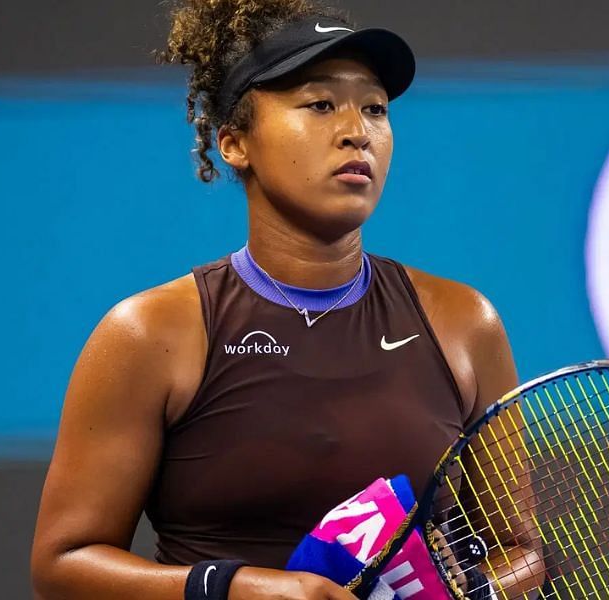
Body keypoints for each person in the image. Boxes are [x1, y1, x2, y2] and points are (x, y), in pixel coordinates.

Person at [30, 1, 537, 598]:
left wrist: (464, 594)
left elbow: (520, 552)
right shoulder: (151, 333)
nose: (357, 130)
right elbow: (63, 566)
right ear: (235, 144)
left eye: (375, 108)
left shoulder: (464, 323)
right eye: (320, 104)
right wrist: (241, 589)